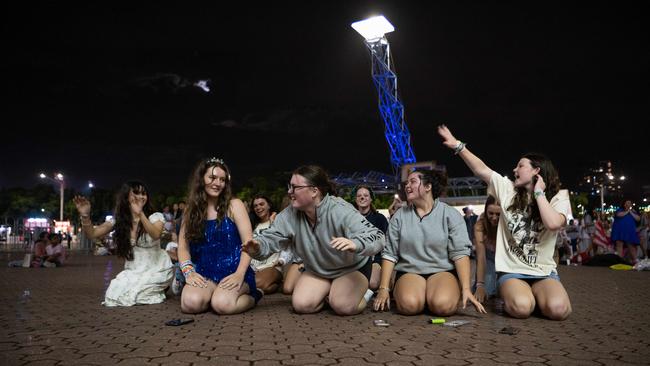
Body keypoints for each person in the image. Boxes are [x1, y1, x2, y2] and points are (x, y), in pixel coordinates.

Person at [437, 125, 572, 320]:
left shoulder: (558, 197)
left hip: (543, 272)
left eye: (520, 166)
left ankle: (536, 295)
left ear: (536, 171)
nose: (514, 170)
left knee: (558, 310)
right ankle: (520, 294)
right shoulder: (507, 190)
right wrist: (458, 145)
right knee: (521, 308)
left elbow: (552, 224)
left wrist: (538, 193)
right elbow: (481, 169)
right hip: (512, 272)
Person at [243, 165, 385, 316]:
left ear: (314, 191)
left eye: (295, 187)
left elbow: (377, 236)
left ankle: (361, 294)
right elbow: (270, 239)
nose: (290, 191)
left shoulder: (340, 208)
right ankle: (330, 293)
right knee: (301, 305)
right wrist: (257, 248)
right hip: (319, 270)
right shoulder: (289, 215)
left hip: (351, 268)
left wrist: (356, 243)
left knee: (343, 306)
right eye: (289, 186)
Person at [373, 169, 486, 316]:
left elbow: (460, 253)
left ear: (428, 186)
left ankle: (435, 295)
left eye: (413, 181)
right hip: (410, 271)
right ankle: (418, 295)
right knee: (409, 305)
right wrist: (383, 289)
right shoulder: (399, 216)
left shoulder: (450, 214)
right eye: (407, 182)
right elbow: (389, 254)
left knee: (443, 306)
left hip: (442, 271)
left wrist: (465, 289)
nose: (407, 185)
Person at [177, 158, 261, 315]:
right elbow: (183, 247)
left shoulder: (234, 205)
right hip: (205, 274)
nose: (218, 183)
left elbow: (248, 245)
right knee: (190, 304)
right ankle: (213, 295)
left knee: (222, 305)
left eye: (222, 180)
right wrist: (189, 272)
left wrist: (239, 274)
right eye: (212, 177)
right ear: (201, 179)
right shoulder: (190, 210)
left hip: (234, 272)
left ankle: (254, 296)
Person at [73, 181, 173, 306]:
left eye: (144, 193)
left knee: (140, 296)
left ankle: (160, 287)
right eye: (136, 193)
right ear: (126, 197)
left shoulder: (155, 216)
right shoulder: (120, 220)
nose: (141, 197)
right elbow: (92, 233)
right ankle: (155, 288)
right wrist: (85, 215)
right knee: (113, 295)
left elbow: (155, 234)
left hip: (157, 267)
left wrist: (140, 213)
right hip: (133, 270)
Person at [352, 185, 389, 291]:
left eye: (365, 195)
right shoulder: (350, 218)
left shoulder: (380, 218)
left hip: (374, 259)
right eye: (359, 196)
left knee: (372, 283)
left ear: (371, 198)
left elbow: (387, 241)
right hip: (355, 259)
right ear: (356, 199)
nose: (362, 197)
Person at [249, 195, 284, 294]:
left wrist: (273, 222)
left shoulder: (278, 221)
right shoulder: (252, 225)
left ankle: (268, 284)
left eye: (261, 204)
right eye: (255, 206)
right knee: (246, 284)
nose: (258, 208)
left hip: (272, 266)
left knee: (254, 284)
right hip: (253, 267)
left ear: (269, 206)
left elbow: (283, 241)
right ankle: (271, 287)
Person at [473, 195, 500, 302]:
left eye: (498, 214)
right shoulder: (480, 224)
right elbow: (481, 256)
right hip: (487, 257)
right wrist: (480, 285)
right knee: (486, 292)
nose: (494, 217)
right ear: (486, 211)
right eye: (491, 213)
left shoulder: (509, 223)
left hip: (504, 257)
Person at [611, 199, 641, 264]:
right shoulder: (619, 210)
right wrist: (628, 211)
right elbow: (619, 215)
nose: (629, 204)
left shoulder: (633, 211)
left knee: (631, 245)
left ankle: (635, 260)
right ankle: (619, 261)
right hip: (620, 231)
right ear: (624, 204)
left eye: (630, 203)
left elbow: (638, 219)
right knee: (619, 244)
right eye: (628, 202)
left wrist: (630, 212)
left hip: (629, 232)